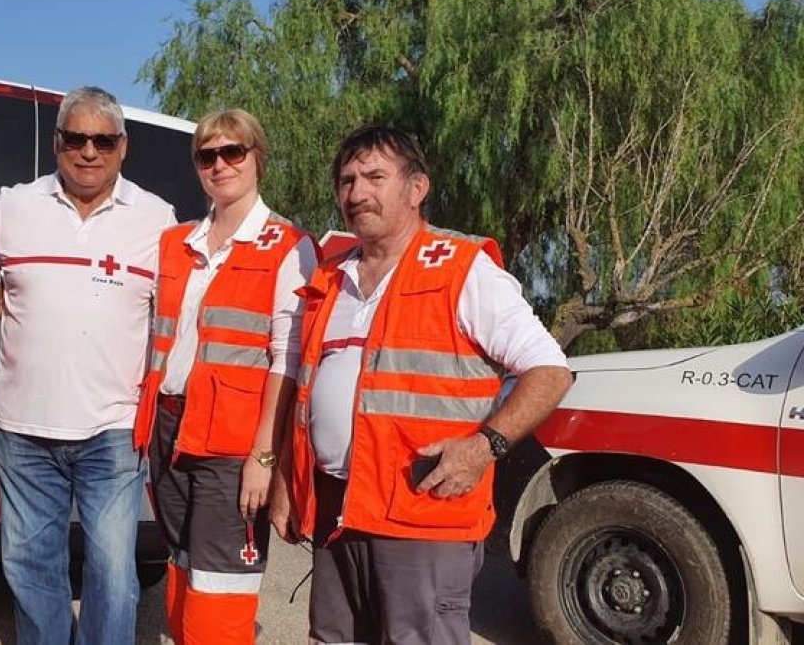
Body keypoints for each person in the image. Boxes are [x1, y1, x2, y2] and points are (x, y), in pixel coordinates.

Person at [271, 125, 573, 645]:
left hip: (422, 515)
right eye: (346, 181)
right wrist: (284, 479)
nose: (357, 193)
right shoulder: (329, 280)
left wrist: (487, 446)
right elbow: (304, 392)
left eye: (374, 177)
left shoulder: (461, 269)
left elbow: (550, 370)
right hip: (339, 509)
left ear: (417, 188)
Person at [0, 86, 177, 645]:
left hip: (112, 430)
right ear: (57, 141)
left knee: (113, 576)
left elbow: (170, 317)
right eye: (75, 138)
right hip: (23, 427)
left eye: (103, 140)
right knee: (31, 566)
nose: (89, 151)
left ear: (123, 147)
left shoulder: (157, 218)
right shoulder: (12, 206)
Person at [133, 109, 317, 644]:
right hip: (170, 431)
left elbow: (287, 360)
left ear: (257, 158)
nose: (219, 164)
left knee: (222, 583)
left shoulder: (288, 245)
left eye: (232, 152)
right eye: (206, 155)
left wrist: (264, 458)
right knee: (184, 567)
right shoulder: (178, 244)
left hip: (233, 446)